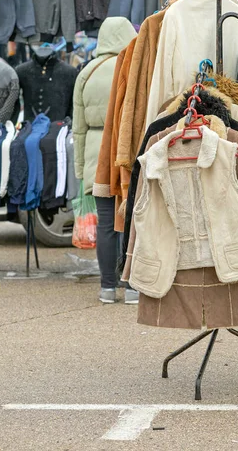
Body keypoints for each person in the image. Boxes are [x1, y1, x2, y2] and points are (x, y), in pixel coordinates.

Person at [72, 17, 138, 304]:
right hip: (126, 150)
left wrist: (79, 169)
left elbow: (79, 127)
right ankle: (133, 286)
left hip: (96, 155)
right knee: (133, 220)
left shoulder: (86, 73)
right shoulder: (133, 67)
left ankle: (107, 288)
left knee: (106, 224)